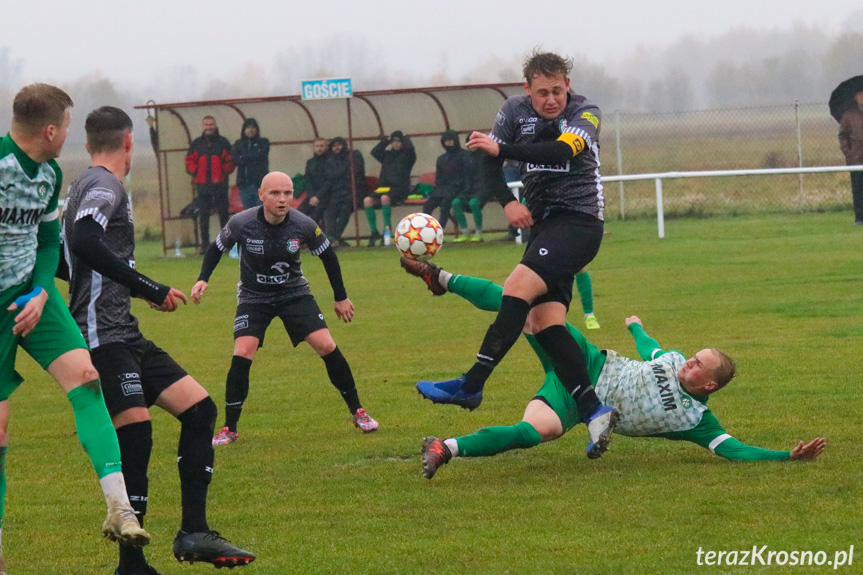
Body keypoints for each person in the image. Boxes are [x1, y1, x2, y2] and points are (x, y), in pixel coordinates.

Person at [400, 258, 827, 479]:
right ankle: (442, 277)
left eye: (698, 364)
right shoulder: (675, 361)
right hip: (587, 361)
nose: (689, 361)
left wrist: (785, 457)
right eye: (693, 355)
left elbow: (734, 450)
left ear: (709, 384)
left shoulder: (696, 419)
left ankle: (445, 448)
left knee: (538, 432)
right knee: (524, 303)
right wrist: (638, 328)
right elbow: (653, 349)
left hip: (577, 402)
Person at [64, 107, 254, 574]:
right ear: (129, 142)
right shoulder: (107, 185)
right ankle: (131, 564)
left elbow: (71, 262)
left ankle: (193, 532)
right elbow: (86, 242)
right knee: (136, 435)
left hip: (123, 331)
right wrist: (147, 286)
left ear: (90, 144)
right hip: (102, 337)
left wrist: (133, 288)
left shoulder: (83, 185)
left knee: (199, 409)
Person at [416, 50, 618, 459]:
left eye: (557, 91)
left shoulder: (586, 113)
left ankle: (472, 383)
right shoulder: (512, 110)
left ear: (568, 86)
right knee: (545, 323)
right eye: (542, 92)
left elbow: (562, 151)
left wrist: (504, 147)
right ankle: (594, 409)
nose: (551, 100)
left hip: (578, 223)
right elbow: (488, 160)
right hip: (543, 225)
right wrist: (506, 201)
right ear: (526, 89)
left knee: (517, 288)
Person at [0, 85, 149, 572]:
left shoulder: (49, 174)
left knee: (87, 379)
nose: (70, 134)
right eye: (66, 125)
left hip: (33, 297)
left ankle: (119, 508)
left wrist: (41, 290)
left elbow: (46, 241)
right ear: (49, 130)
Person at [192, 171, 379, 445]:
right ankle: (230, 428)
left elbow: (328, 256)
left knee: (326, 345)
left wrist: (341, 297)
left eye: (288, 193)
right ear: (261, 195)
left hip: (294, 293)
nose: (283, 200)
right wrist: (202, 279)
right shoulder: (241, 223)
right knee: (243, 351)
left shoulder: (303, 224)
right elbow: (216, 249)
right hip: (254, 297)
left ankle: (359, 411)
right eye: (275, 193)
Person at [185, 116, 235, 253]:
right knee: (203, 215)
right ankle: (205, 245)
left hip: (220, 184)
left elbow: (230, 161)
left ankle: (226, 244)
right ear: (203, 126)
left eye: (211, 124)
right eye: (206, 125)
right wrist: (196, 171)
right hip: (202, 185)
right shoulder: (197, 144)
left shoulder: (223, 143)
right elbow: (189, 161)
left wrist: (223, 172)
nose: (209, 127)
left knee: (223, 215)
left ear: (215, 125)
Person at [364, 130, 416, 246]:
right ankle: (374, 232)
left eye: (398, 142)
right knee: (367, 200)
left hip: (399, 188)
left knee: (384, 199)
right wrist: (386, 140)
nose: (396, 144)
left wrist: (406, 139)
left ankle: (387, 231)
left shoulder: (408, 156)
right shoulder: (387, 155)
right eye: (393, 142)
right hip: (384, 188)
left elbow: (411, 150)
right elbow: (375, 152)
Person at [322, 137, 366, 247]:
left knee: (345, 209)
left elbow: (357, 172)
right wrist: (344, 171)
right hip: (337, 193)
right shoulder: (330, 160)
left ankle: (334, 237)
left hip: (354, 192)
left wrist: (340, 173)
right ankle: (332, 238)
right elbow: (331, 177)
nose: (337, 148)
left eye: (339, 145)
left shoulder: (354, 155)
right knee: (328, 211)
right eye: (334, 146)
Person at [423, 130, 470, 233]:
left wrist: (463, 188)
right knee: (428, 205)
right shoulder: (441, 159)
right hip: (442, 189)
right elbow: (438, 177)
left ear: (455, 141)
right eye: (446, 141)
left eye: (450, 140)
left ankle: (439, 230)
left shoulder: (464, 155)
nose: (448, 143)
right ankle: (425, 230)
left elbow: (467, 175)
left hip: (458, 188)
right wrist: (438, 188)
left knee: (445, 204)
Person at [451, 134, 486, 243]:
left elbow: (489, 176)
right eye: (469, 143)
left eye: (474, 142)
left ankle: (478, 233)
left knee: (474, 203)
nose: (471, 145)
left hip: (484, 189)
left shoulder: (486, 156)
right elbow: (464, 176)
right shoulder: (466, 158)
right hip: (468, 189)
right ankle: (465, 233)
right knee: (455, 202)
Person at [232, 118, 269, 209]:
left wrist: (244, 157)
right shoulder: (238, 143)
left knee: (262, 212)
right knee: (248, 214)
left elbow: (261, 155)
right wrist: (251, 157)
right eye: (248, 127)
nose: (251, 130)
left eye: (253, 127)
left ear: (257, 129)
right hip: (244, 184)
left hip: (260, 184)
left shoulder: (263, 142)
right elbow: (236, 158)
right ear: (244, 130)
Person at [838, 90, 863, 225]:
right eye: (859, 94)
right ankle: (859, 218)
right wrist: (849, 153)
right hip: (856, 160)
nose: (862, 96)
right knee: (858, 190)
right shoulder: (848, 116)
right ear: (855, 97)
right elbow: (842, 136)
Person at [302, 137, 330, 223]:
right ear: (314, 148)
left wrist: (318, 196)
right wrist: (312, 196)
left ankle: (313, 235)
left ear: (326, 147)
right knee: (298, 213)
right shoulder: (310, 162)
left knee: (315, 216)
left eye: (321, 146)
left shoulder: (331, 162)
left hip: (327, 197)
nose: (319, 148)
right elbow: (307, 180)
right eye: (317, 146)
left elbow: (329, 182)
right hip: (312, 196)